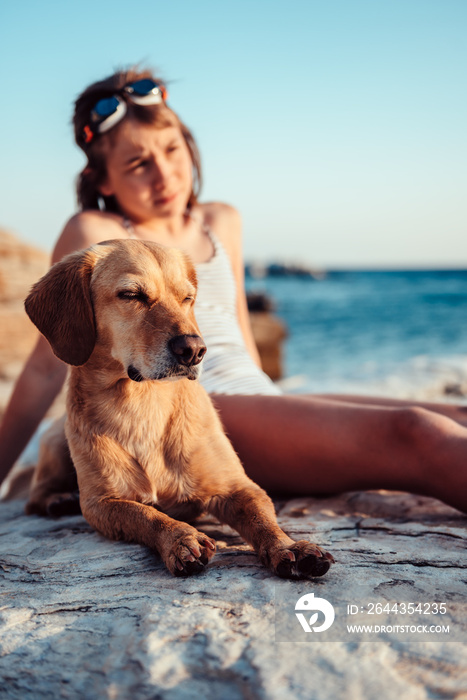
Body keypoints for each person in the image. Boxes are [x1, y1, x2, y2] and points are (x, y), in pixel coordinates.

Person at [1, 67, 466, 513]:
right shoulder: (97, 234)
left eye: (171, 149)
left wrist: (291, 420)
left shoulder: (220, 220)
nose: (164, 176)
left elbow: (241, 336)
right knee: (417, 433)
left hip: (261, 400)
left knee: (456, 414)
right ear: (102, 179)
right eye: (138, 163)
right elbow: (47, 367)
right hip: (192, 417)